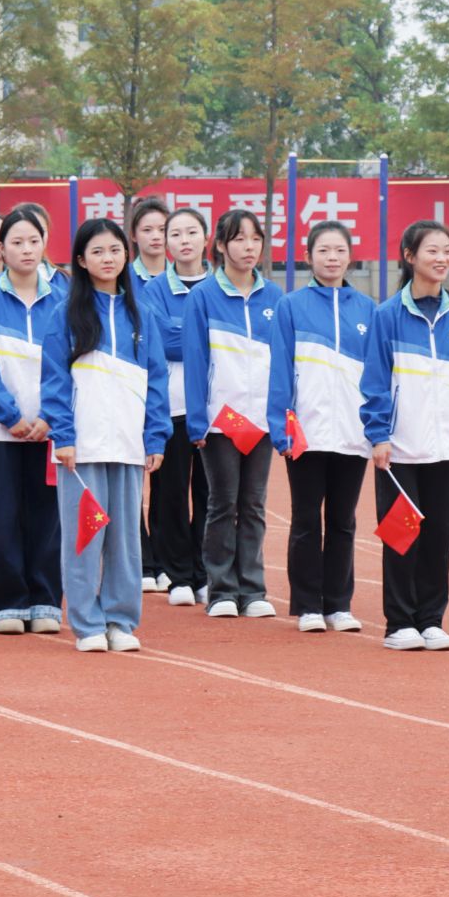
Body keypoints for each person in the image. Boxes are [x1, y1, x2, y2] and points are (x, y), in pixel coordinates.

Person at [361, 220, 449, 652]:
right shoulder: (387, 315)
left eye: (447, 250)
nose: (442, 258)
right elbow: (375, 381)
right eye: (432, 250)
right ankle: (399, 622)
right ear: (409, 256)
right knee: (402, 534)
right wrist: (378, 434)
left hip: (443, 445)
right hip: (400, 447)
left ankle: (431, 619)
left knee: (438, 535)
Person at [44, 219, 170, 653]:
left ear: (126, 255)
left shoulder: (142, 315)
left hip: (129, 443)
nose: (107, 258)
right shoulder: (65, 315)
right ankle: (87, 623)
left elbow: (156, 380)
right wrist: (63, 435)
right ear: (81, 260)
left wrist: (156, 437)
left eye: (114, 250)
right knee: (84, 535)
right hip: (83, 444)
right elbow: (54, 381)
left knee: (125, 539)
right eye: (97, 251)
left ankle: (120, 619)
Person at [268, 222, 375, 633]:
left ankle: (339, 604)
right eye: (323, 251)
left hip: (352, 431)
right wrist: (281, 426)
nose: (332, 258)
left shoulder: (367, 309)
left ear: (350, 257)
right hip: (305, 432)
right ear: (308, 256)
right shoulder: (291, 306)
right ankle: (308, 604)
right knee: (307, 519)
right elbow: (280, 369)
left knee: (344, 521)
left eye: (339, 251)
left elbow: (378, 375)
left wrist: (375, 426)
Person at [0, 208, 65, 635]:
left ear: (45, 245)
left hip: (49, 430)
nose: (26, 250)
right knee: (1, 516)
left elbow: (70, 365)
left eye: (34, 241)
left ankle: (45, 601)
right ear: (0, 248)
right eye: (17, 242)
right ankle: (6, 603)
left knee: (47, 517)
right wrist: (11, 416)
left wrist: (48, 415)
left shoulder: (63, 299)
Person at [183, 208, 279, 620]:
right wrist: (197, 420)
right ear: (221, 245)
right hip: (220, 420)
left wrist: (281, 416)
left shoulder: (275, 297)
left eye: (255, 239)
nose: (248, 247)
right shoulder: (203, 297)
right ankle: (221, 588)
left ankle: (253, 589)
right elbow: (194, 360)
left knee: (254, 504)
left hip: (261, 420)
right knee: (223, 503)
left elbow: (283, 362)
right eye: (239, 239)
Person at [137, 208, 214, 605]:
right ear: (166, 243)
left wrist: (186, 332)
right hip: (171, 407)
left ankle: (205, 572)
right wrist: (205, 335)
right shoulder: (153, 290)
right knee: (170, 492)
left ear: (207, 238)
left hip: (216, 409)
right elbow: (162, 341)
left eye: (192, 232)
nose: (184, 240)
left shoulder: (219, 286)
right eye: (176, 234)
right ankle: (177, 574)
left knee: (210, 494)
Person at [127, 197, 170, 286]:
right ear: (133, 235)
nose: (156, 236)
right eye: (147, 230)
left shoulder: (183, 276)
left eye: (162, 229)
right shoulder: (123, 277)